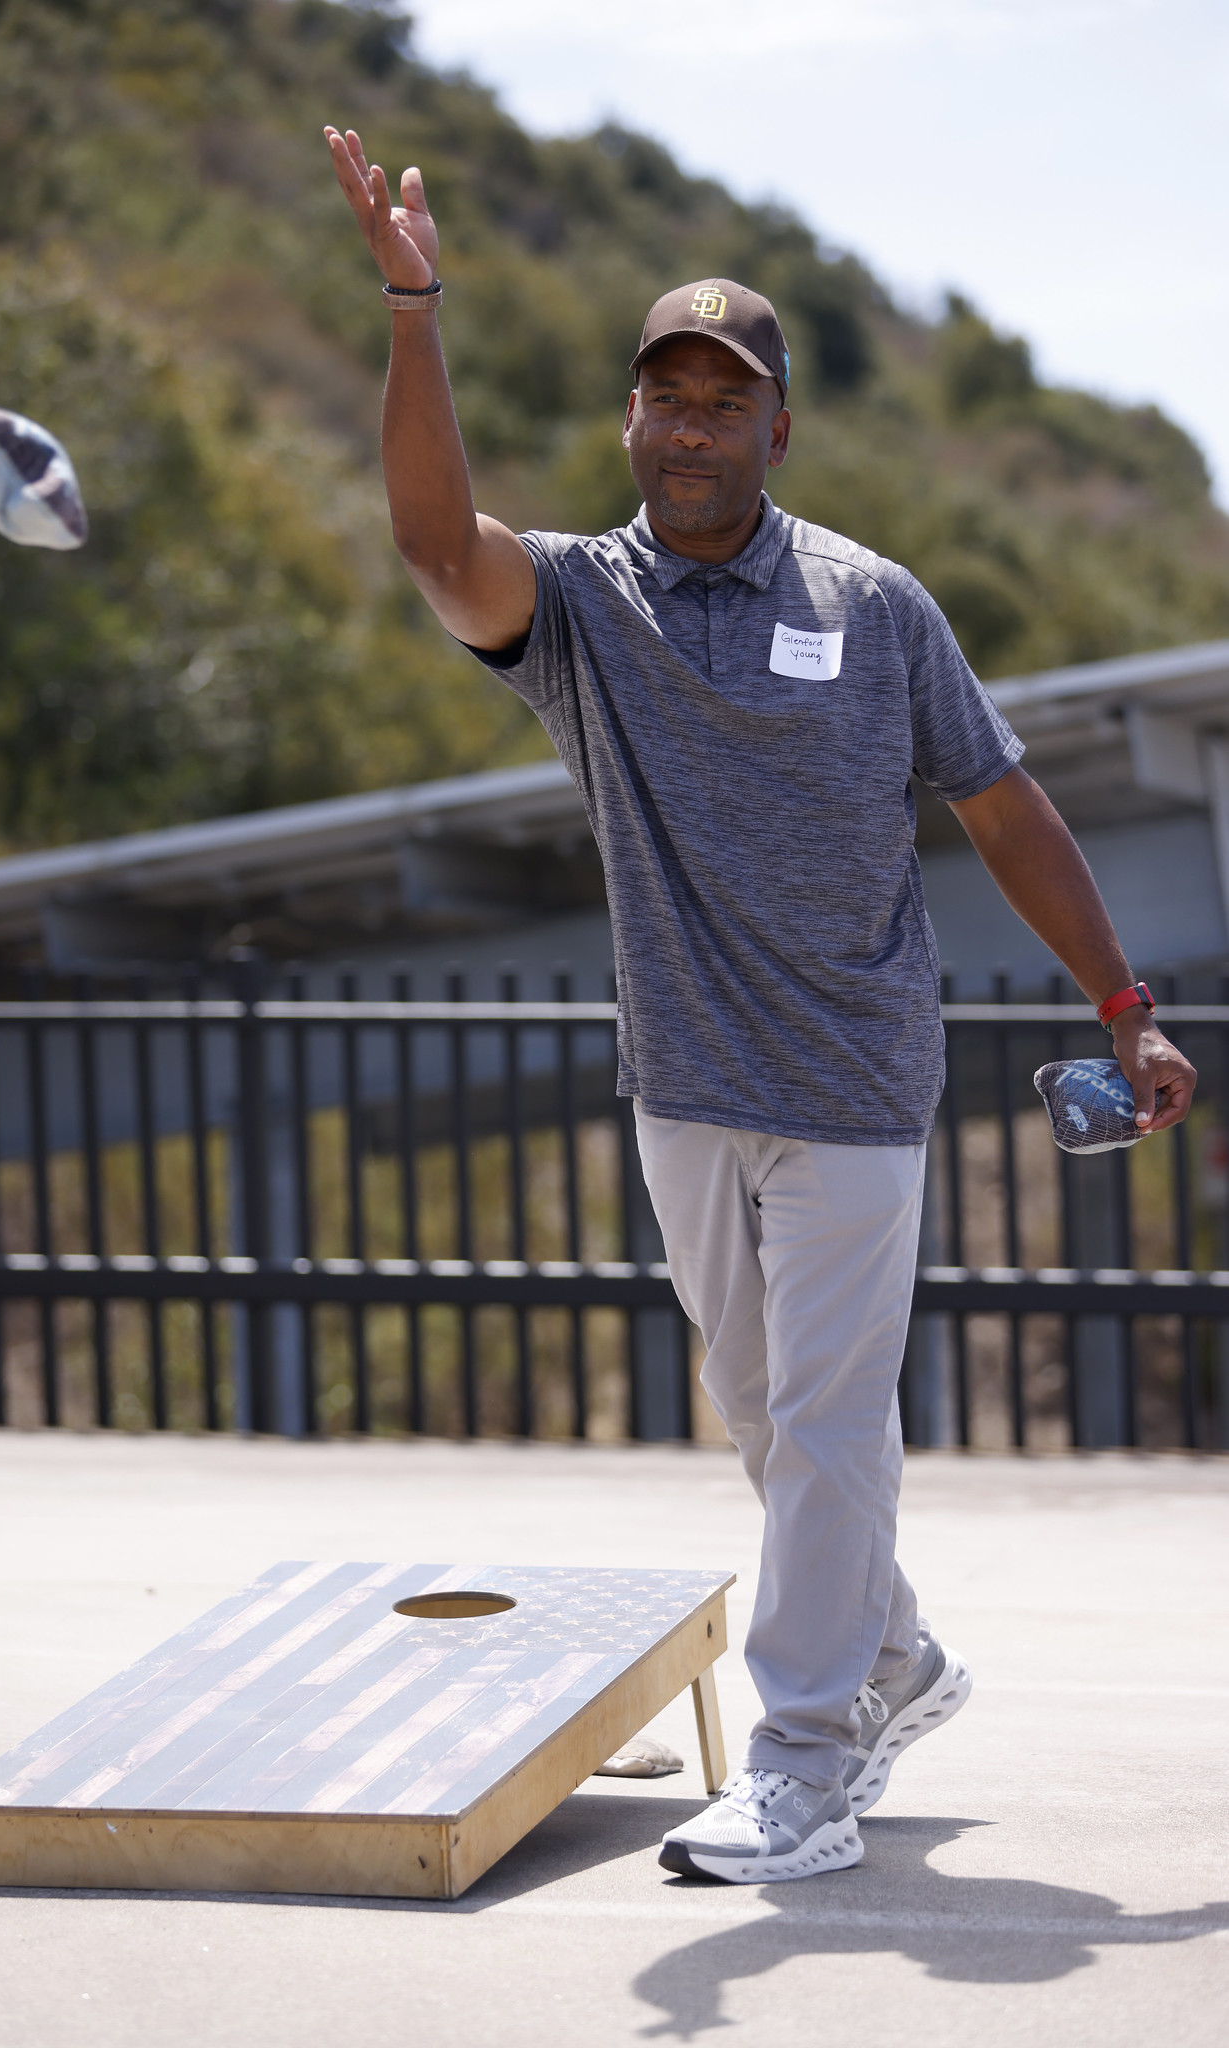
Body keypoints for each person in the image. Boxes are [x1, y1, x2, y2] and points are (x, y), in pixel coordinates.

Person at [323, 127, 1198, 1884]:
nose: (691, 423)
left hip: (859, 1083)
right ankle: (892, 1658)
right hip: (683, 1083)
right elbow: (432, 542)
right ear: (632, 421)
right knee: (758, 1410)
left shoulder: (872, 606)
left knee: (824, 1424)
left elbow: (1005, 806)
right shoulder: (578, 605)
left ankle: (803, 1759)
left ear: (776, 428)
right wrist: (414, 308)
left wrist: (1121, 1004)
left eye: (725, 398)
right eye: (665, 394)